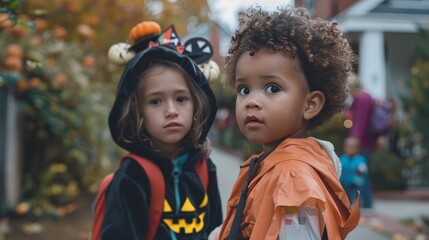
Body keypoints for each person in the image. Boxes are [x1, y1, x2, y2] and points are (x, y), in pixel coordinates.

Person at [215, 6, 360, 240]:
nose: (252, 101)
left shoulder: (293, 177)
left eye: (272, 88)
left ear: (310, 104)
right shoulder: (268, 163)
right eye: (244, 89)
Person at [100, 22, 223, 239]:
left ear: (197, 104)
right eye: (156, 101)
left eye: (181, 99)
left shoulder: (204, 168)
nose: (171, 111)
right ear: (138, 112)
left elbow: (217, 231)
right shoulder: (132, 177)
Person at [346, 75, 375, 210]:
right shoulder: (365, 97)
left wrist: (354, 141)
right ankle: (363, 203)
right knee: (360, 173)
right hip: (364, 143)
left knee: (360, 174)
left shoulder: (363, 98)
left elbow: (360, 122)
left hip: (362, 144)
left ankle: (366, 204)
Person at [339, 136, 368, 205]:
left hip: (356, 183)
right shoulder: (342, 159)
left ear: (357, 148)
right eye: (349, 146)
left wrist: (360, 170)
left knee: (357, 195)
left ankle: (360, 206)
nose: (351, 149)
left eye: (353, 147)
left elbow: (363, 170)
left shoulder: (360, 159)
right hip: (343, 183)